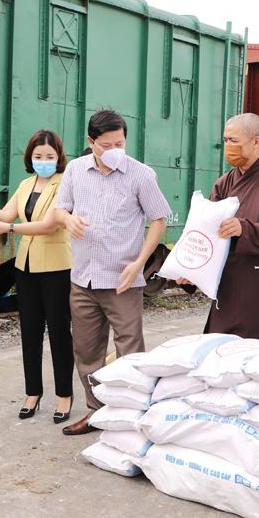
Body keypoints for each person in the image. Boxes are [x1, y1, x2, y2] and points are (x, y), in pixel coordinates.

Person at [53, 109, 172, 435]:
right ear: (91, 142)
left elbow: (159, 218)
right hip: (83, 279)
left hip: (123, 280)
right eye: (107, 145)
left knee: (130, 351)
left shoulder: (140, 174)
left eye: (120, 143)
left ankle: (133, 418)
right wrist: (69, 220)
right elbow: (60, 209)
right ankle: (96, 412)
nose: (115, 149)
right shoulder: (76, 170)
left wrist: (140, 262)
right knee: (87, 352)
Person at [0, 130, 75, 424]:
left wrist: (11, 230)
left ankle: (64, 396)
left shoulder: (65, 183)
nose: (44, 161)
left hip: (56, 267)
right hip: (26, 268)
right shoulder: (26, 184)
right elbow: (4, 215)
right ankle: (33, 394)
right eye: (38, 156)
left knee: (58, 333)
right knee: (29, 332)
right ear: (30, 158)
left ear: (59, 158)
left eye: (49, 156)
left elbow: (49, 225)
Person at [190, 113, 259, 341]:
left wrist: (245, 229)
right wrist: (192, 267)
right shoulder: (223, 183)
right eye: (225, 140)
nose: (228, 146)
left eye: (234, 141)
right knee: (221, 355)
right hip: (229, 287)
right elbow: (208, 233)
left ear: (256, 142)